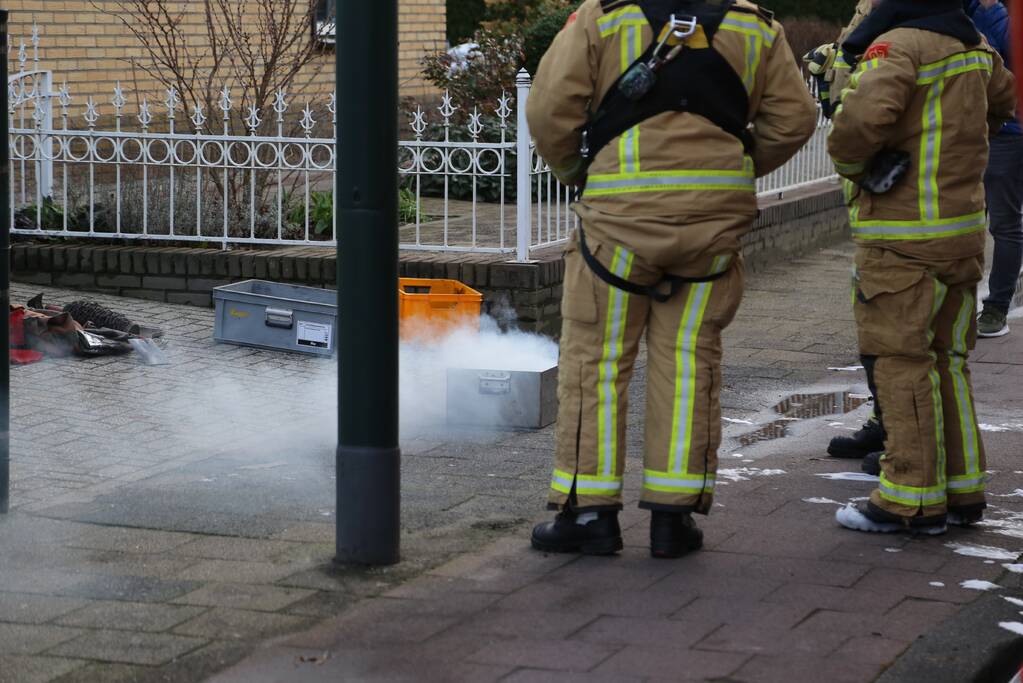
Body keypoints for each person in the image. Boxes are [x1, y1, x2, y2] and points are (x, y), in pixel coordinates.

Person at [525, 0, 817, 557]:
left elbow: (549, 111)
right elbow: (796, 119)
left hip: (618, 223)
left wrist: (576, 172)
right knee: (689, 360)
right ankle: (672, 518)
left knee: (596, 361)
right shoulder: (755, 26)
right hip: (711, 226)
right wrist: (737, 167)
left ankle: (590, 516)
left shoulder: (601, 18)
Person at [827, 0, 1015, 534]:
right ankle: (962, 488)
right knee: (948, 360)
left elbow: (853, 129)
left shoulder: (899, 46)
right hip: (960, 234)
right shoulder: (976, 46)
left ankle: (907, 496)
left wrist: (859, 168)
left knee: (901, 360)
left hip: (901, 237)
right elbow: (1003, 105)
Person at [966, 0, 1023, 338]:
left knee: (1003, 223)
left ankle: (997, 308)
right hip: (973, 133)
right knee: (965, 219)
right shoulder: (959, 15)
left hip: (1006, 135)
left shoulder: (995, 18)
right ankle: (958, 304)